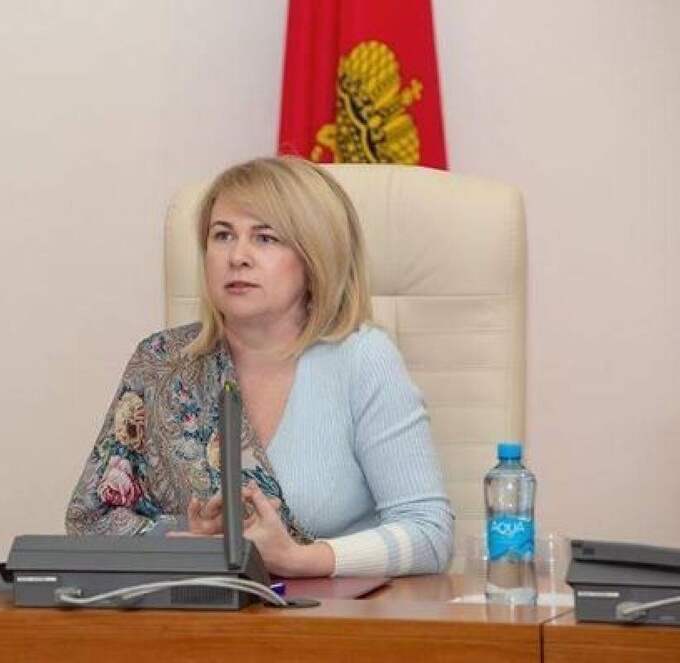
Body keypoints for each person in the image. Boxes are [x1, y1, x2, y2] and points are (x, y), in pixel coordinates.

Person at [65, 156, 454, 577]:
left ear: (315, 256)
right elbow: (92, 521)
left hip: (331, 611)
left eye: (265, 238)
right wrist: (188, 536)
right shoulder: (162, 361)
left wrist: (301, 559)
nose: (238, 256)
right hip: (194, 608)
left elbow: (429, 534)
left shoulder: (362, 358)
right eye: (222, 235)